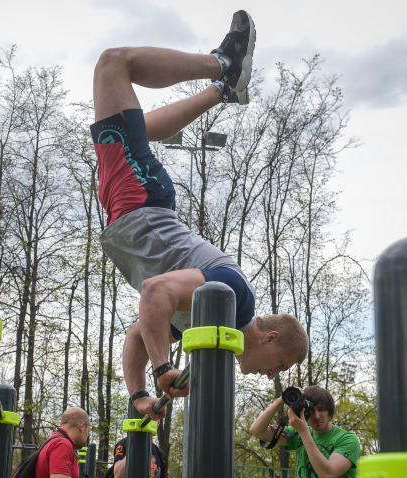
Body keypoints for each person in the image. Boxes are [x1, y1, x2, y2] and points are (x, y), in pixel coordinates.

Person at [90, 9, 309, 418]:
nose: (270, 376)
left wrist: (138, 395)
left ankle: (222, 91)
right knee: (113, 63)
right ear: (270, 337)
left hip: (131, 205)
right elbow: (155, 291)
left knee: (142, 126)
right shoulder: (233, 296)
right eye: (279, 365)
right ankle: (225, 63)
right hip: (140, 200)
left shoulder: (207, 321)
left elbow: (139, 332)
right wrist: (163, 368)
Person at [249, 386, 361, 478]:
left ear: (330, 410)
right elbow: (256, 430)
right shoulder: (298, 433)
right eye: (310, 410)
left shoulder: (347, 439)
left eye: (321, 409)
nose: (316, 416)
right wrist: (281, 400)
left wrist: (303, 431)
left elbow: (327, 474)